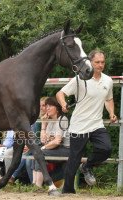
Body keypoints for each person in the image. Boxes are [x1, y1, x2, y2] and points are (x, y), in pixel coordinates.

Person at [56, 49, 118, 194]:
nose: (100, 65)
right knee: (74, 159)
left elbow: (108, 99)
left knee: (106, 148)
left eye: (102, 62)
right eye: (97, 62)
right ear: (90, 62)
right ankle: (68, 191)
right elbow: (60, 93)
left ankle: (87, 166)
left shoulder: (108, 80)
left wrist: (111, 113)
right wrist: (63, 103)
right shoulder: (80, 79)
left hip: (97, 124)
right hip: (79, 125)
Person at [33, 97, 70, 187]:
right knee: (37, 152)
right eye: (46, 106)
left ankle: (38, 185)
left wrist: (45, 146)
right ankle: (36, 184)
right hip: (57, 148)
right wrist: (43, 124)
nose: (47, 108)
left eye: (50, 106)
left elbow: (57, 142)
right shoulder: (50, 121)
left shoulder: (62, 119)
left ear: (57, 108)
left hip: (67, 150)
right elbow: (43, 141)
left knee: (39, 152)